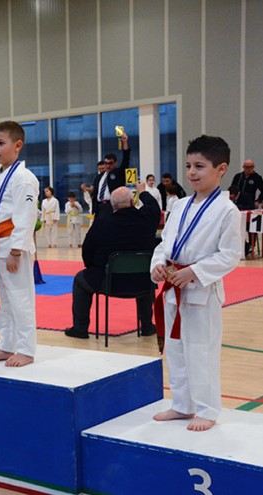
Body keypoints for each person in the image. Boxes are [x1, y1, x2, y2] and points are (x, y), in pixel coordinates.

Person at [151, 135, 241, 432]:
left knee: (201, 351)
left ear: (221, 169)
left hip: (201, 290)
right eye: (189, 165)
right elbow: (164, 244)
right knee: (176, 349)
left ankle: (207, 409)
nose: (191, 172)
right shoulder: (179, 205)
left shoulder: (227, 210)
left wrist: (194, 272)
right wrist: (158, 266)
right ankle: (182, 404)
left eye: (200, 166)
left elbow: (230, 255)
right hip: (173, 288)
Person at [0, 120, 39, 367]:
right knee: (0, 299)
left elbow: (26, 216)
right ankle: (7, 344)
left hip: (13, 247)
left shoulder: (24, 178)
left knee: (20, 299)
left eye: (1, 143)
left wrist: (16, 250)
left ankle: (25, 349)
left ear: (18, 145)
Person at [64, 182, 160, 339]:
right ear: (132, 202)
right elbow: (154, 207)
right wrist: (142, 192)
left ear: (112, 205)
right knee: (144, 273)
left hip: (108, 283)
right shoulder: (147, 219)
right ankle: (147, 326)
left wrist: (93, 268)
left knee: (80, 280)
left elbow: (87, 251)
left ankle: (80, 328)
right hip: (143, 283)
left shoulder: (102, 223)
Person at [88, 133, 130, 220]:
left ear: (115, 163)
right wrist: (94, 210)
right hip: (100, 208)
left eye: (110, 163)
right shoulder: (99, 177)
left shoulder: (118, 173)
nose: (108, 166)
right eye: (106, 163)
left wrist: (125, 143)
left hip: (112, 207)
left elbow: (126, 160)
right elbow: (95, 195)